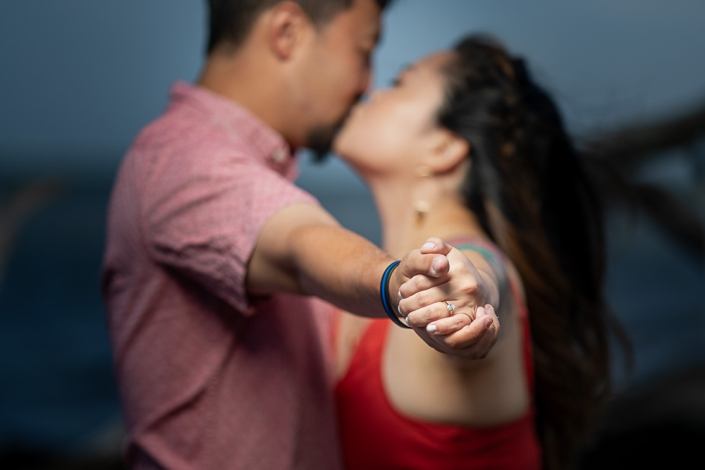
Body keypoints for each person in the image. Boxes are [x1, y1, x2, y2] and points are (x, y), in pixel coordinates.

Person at [101, 1, 498, 469]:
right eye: (364, 51)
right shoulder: (184, 160)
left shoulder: (240, 168)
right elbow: (300, 246)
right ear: (286, 32)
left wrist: (476, 286)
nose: (367, 83)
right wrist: (394, 282)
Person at [333, 34, 625, 470]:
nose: (370, 91)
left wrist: (471, 293)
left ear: (443, 148)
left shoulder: (458, 265)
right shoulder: (380, 280)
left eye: (398, 83)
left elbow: (484, 279)